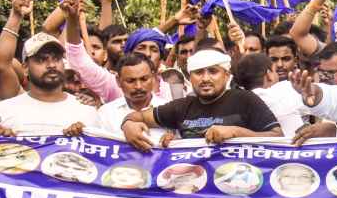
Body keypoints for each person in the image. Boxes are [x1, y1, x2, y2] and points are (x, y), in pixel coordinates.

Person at [121, 49, 282, 150]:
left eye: (213, 71)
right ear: (190, 77)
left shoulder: (245, 99)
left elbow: (278, 137)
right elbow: (138, 116)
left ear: (226, 75)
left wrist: (236, 132)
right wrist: (128, 125)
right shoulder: (181, 107)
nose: (205, 78)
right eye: (198, 72)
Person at [64, 0, 173, 103]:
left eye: (154, 50)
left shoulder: (173, 88)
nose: (147, 54)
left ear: (161, 57)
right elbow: (79, 60)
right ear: (129, 54)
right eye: (141, 48)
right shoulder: (113, 84)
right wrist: (72, 19)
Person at [0, 32, 97, 136]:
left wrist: (84, 137)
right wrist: (4, 142)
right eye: (41, 60)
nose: (51, 65)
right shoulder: (3, 111)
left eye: (56, 58)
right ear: (25, 68)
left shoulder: (87, 112)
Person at [96, 53, 170, 144]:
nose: (138, 86)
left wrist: (173, 141)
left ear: (153, 77)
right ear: (118, 81)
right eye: (130, 81)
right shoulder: (106, 113)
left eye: (144, 79)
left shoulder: (170, 110)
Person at [235, 52, 306, 136]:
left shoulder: (236, 102)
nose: (277, 75)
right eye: (275, 71)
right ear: (269, 74)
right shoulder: (285, 90)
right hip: (294, 147)